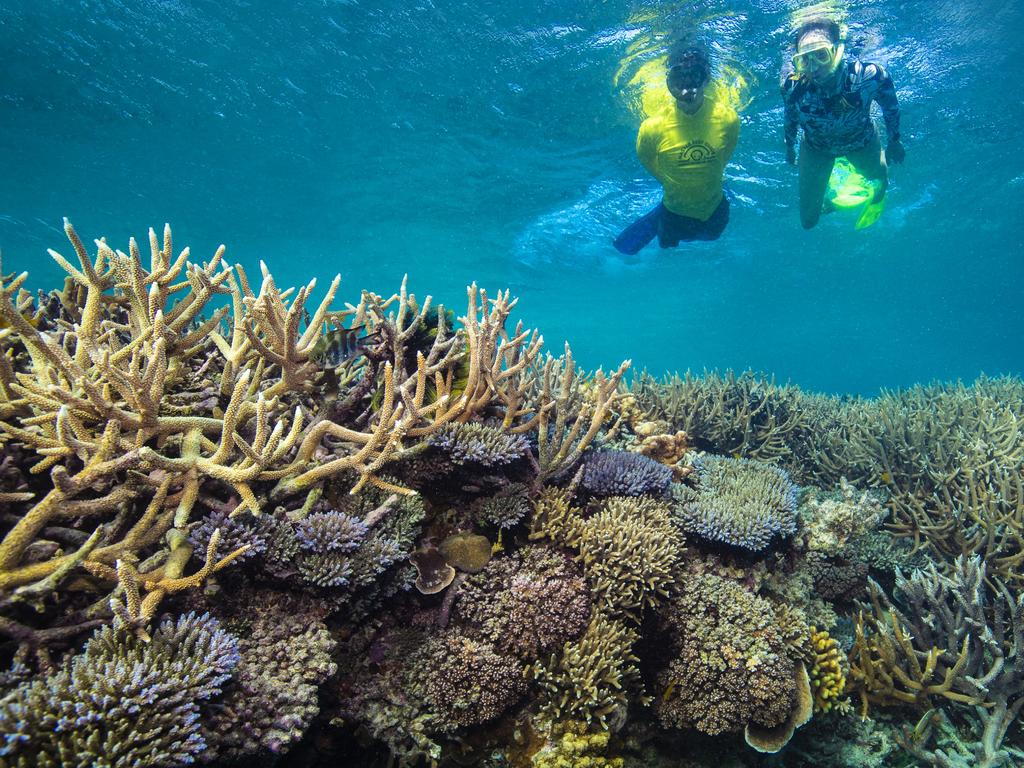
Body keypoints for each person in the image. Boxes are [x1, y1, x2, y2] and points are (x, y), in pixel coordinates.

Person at [614, 44, 740, 255]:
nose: (685, 89)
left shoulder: (727, 118)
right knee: (667, 247)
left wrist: (710, 174)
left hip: (715, 210)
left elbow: (726, 153)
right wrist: (670, 180)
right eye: (678, 80)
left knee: (713, 236)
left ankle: (722, 188)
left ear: (706, 79)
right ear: (668, 82)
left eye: (694, 79)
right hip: (674, 213)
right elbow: (645, 159)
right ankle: (660, 216)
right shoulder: (653, 127)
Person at [782, 18, 905, 229]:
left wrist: (894, 141)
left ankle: (873, 195)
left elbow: (891, 108)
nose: (814, 68)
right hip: (816, 148)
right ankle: (834, 183)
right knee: (808, 222)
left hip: (861, 142)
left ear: (837, 51)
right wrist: (790, 147)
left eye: (821, 55)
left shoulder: (871, 76)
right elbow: (790, 118)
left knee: (881, 181)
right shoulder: (792, 87)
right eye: (805, 60)